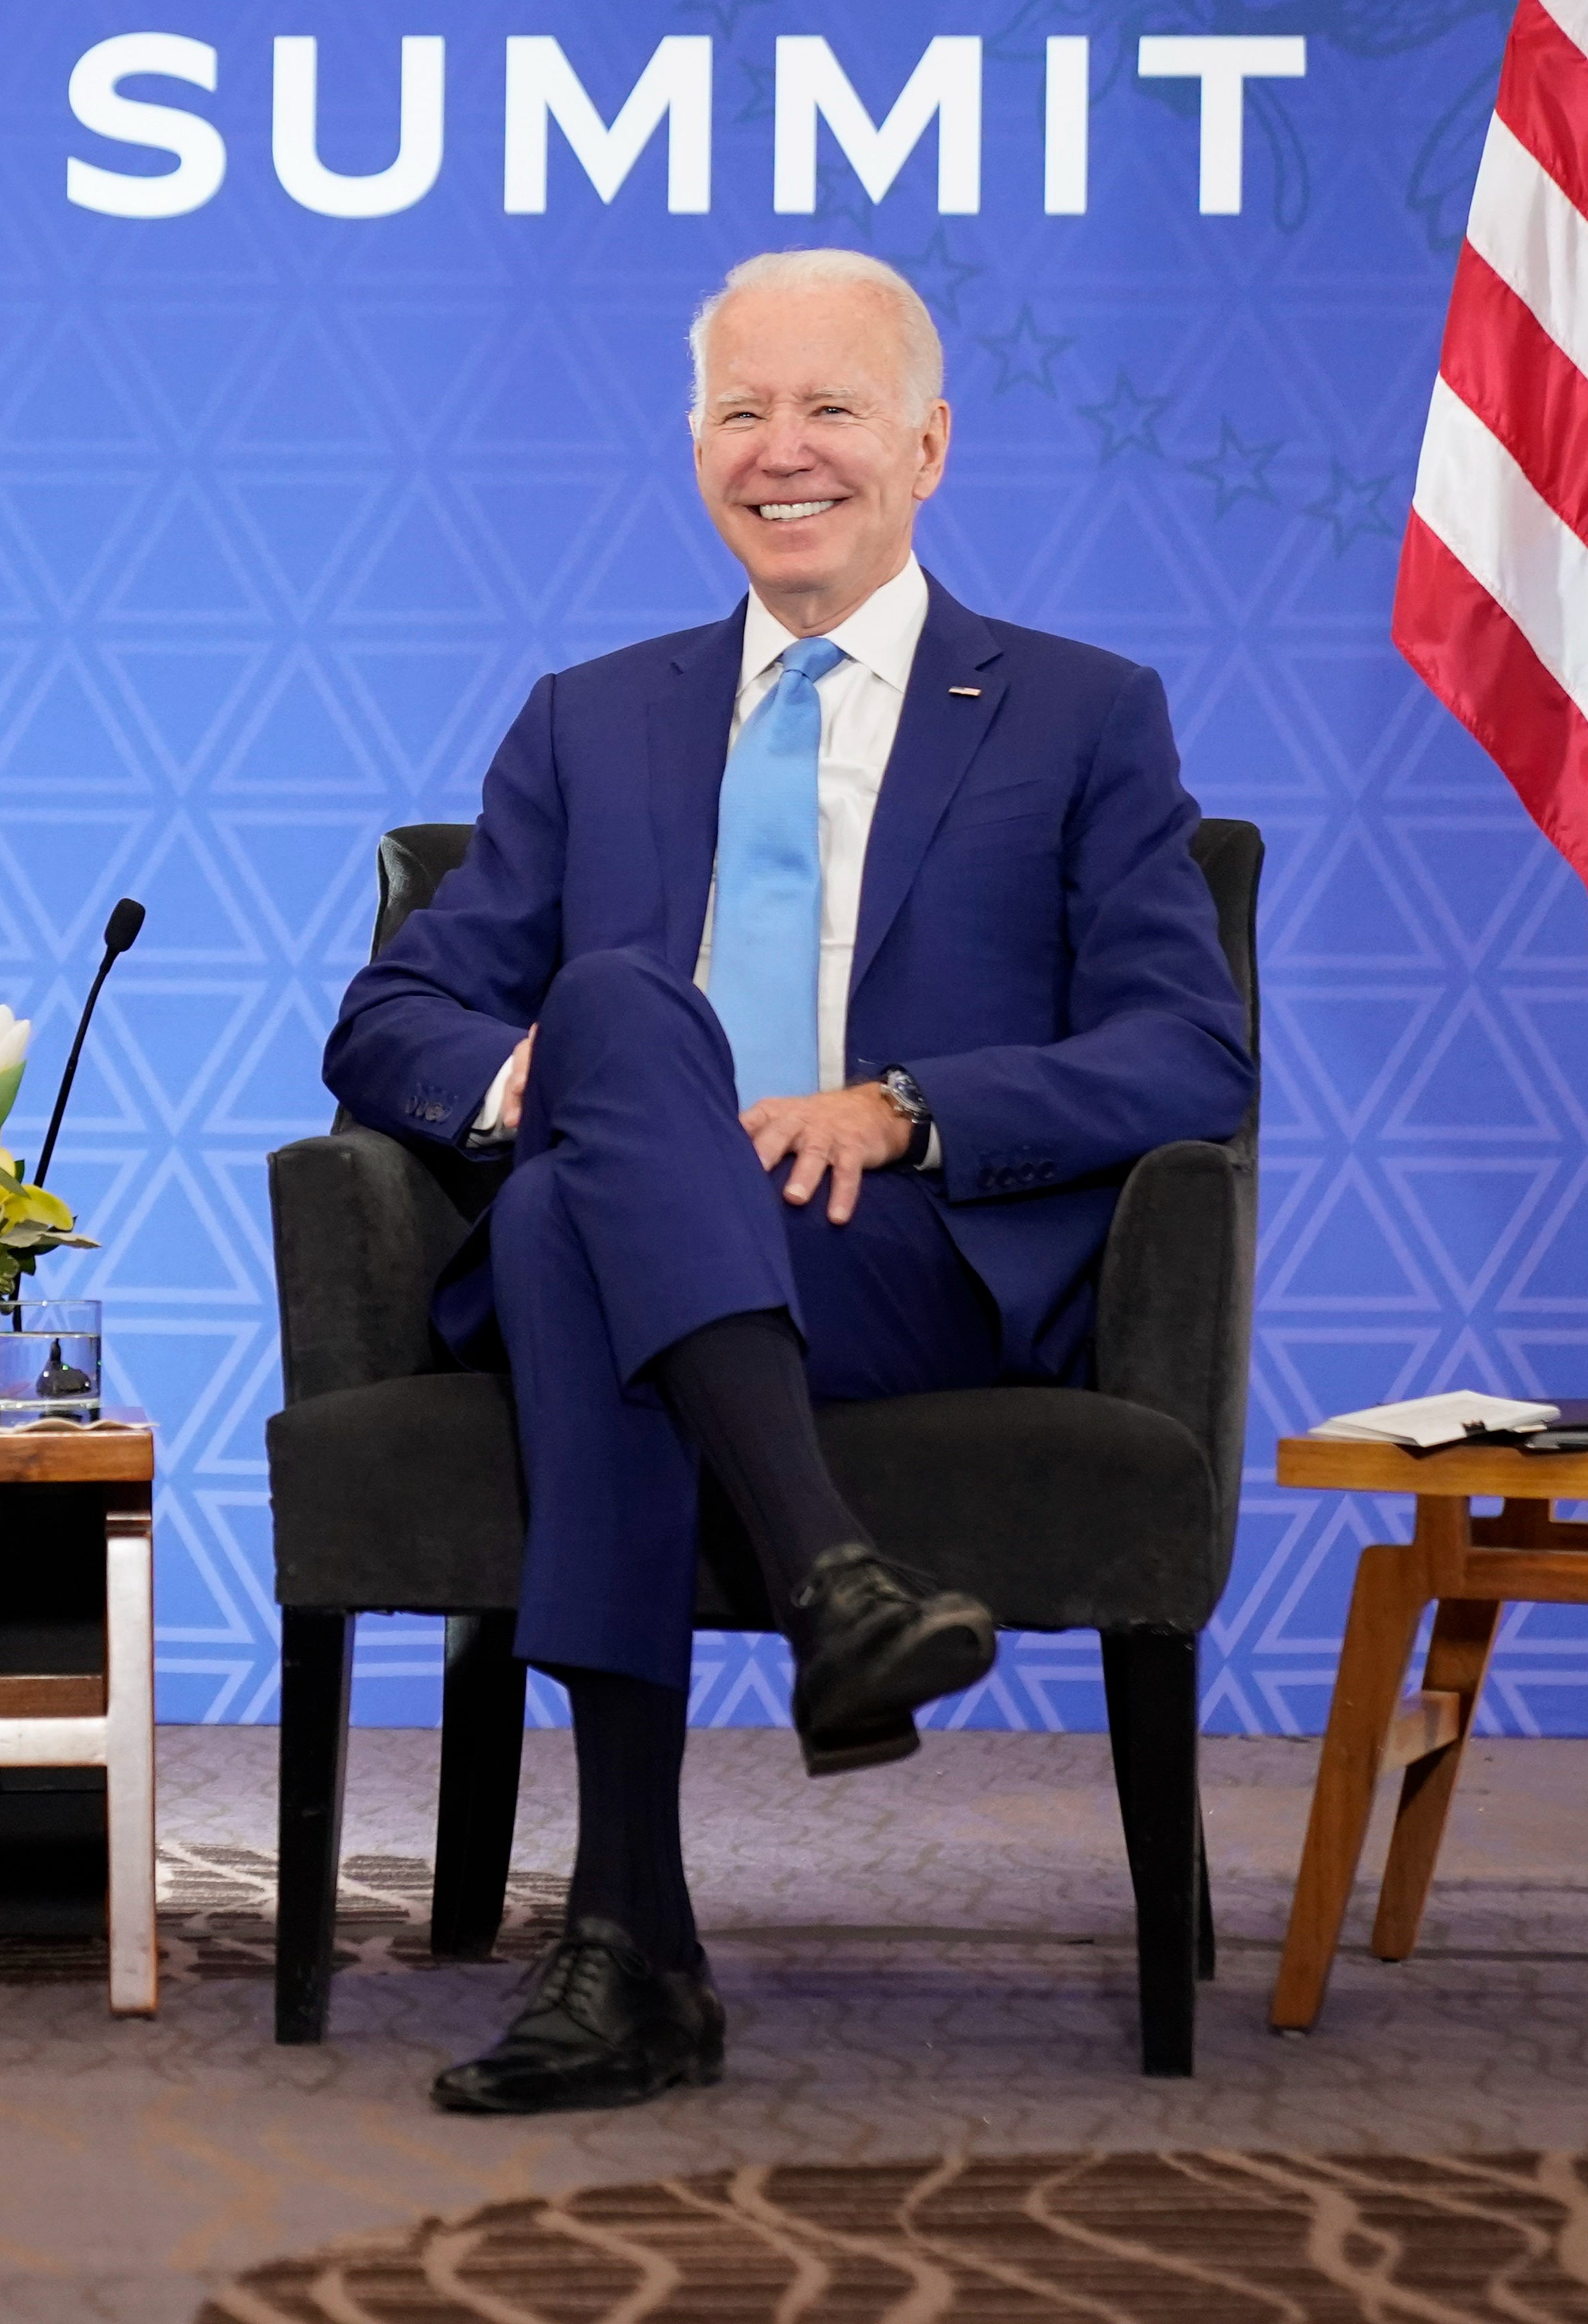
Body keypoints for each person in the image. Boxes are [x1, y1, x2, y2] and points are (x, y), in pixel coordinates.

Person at [321, 249, 1250, 2115]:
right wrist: (570, 1079)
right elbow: (392, 1014)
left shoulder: (1075, 714)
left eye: (828, 407)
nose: (783, 450)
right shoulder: (593, 717)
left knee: (590, 1227)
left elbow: (1187, 1050)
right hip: (620, 1207)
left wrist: (906, 1105)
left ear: (925, 442)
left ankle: (631, 1945)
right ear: (692, 448)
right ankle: (833, 1581)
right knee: (604, 1029)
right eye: (741, 410)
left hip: (885, 1254)